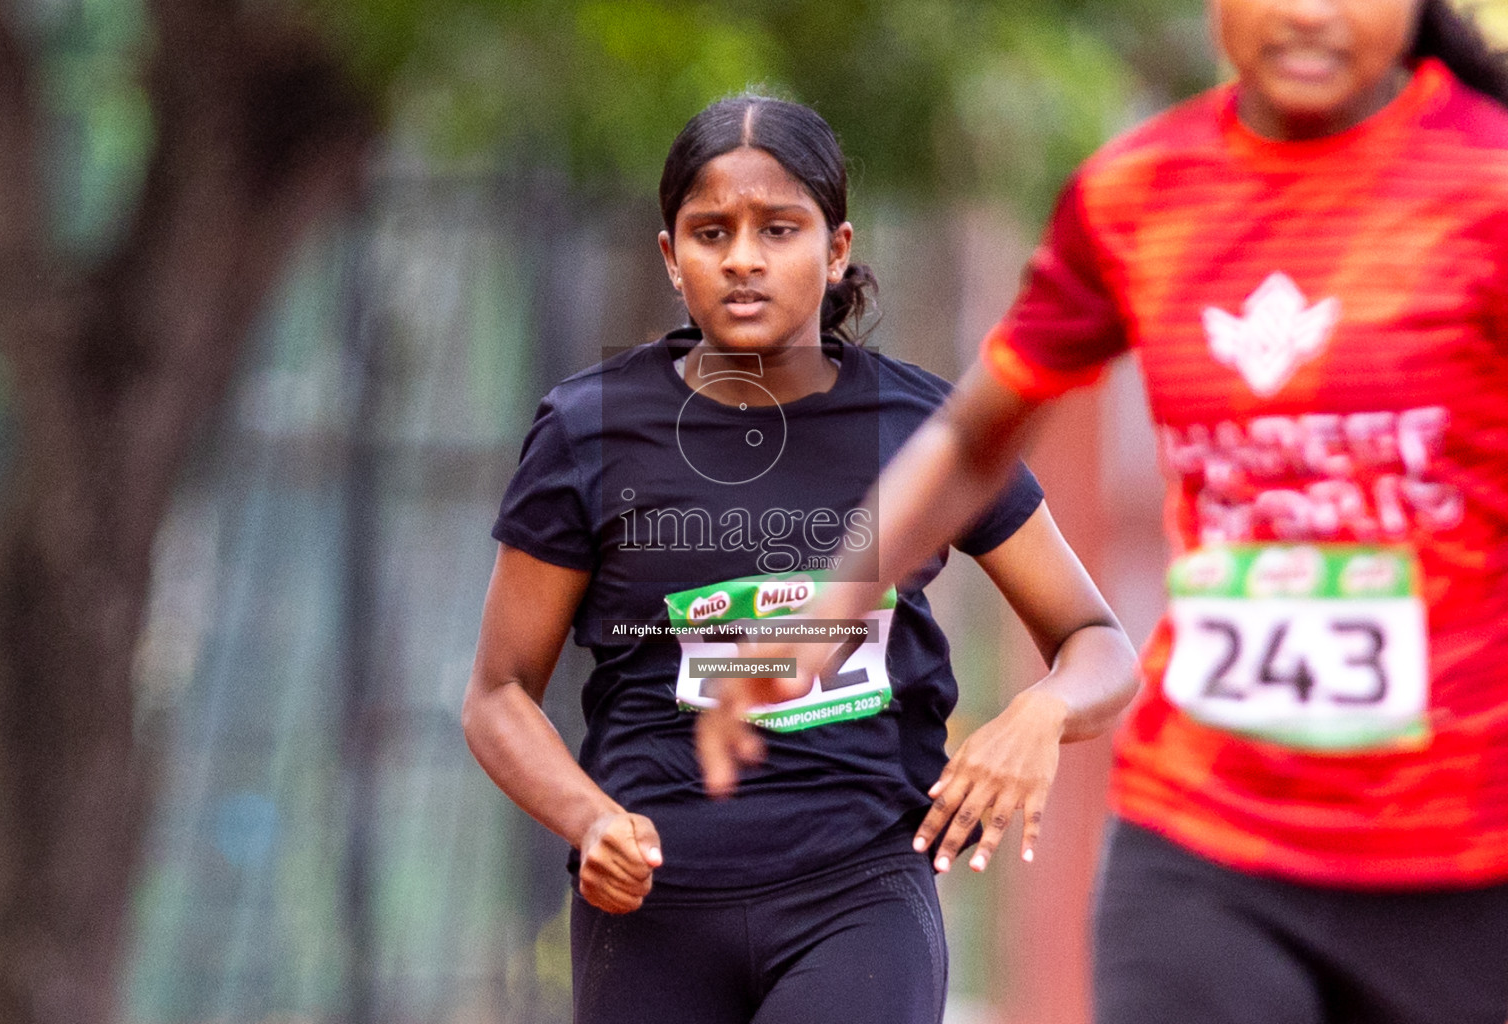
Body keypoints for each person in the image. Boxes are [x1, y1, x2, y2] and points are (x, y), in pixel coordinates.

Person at [697, 2, 1508, 1023]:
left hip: (1467, 853)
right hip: (1207, 840)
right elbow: (972, 436)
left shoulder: (1486, 189)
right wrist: (829, 603)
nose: (1309, 11)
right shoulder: (1141, 195)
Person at [461, 94, 1138, 1024]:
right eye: (710, 232)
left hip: (859, 892)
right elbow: (498, 695)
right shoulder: (591, 427)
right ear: (671, 257)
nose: (742, 258)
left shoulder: (923, 432)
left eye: (779, 228)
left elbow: (1099, 640)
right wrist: (589, 820)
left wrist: (1041, 712)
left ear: (836, 248)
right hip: (653, 903)